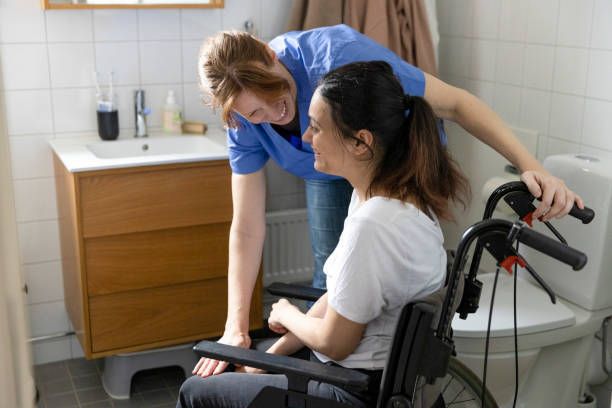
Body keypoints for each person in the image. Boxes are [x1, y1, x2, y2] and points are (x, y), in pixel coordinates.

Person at [194, 24, 583, 378]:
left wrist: (532, 167)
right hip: (335, 170)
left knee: (377, 278)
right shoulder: (243, 117)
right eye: (255, 113)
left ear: (269, 53)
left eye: (275, 93)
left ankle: (371, 379)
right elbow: (246, 226)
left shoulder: (336, 57)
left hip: (394, 166)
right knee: (338, 278)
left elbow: (457, 104)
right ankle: (299, 371)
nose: (274, 114)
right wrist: (236, 326)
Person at [178, 59, 471, 408]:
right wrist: (270, 357)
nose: (305, 137)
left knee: (195, 393)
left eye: (316, 127)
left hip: (349, 391)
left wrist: (287, 313)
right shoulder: (384, 197)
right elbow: (339, 296)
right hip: (363, 374)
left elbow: (335, 343)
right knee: (244, 368)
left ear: (360, 143)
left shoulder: (374, 226)